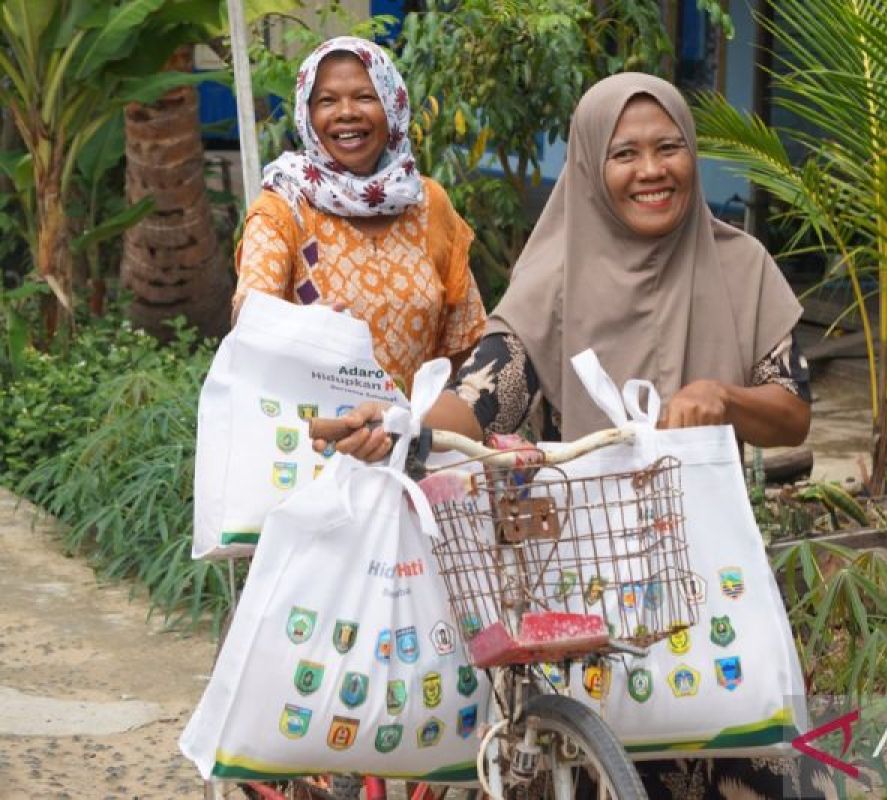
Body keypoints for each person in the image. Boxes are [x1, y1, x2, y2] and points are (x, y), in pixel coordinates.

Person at [317, 73, 823, 799]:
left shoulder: (742, 266)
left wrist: (724, 398)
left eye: (670, 148)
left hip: (712, 569)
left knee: (744, 742)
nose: (652, 170)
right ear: (590, 164)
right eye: (626, 154)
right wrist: (399, 427)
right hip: (580, 575)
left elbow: (793, 409)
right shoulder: (552, 280)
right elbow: (487, 394)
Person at [232, 36, 486, 393]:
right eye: (327, 101)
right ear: (307, 115)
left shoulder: (428, 203)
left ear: (393, 106)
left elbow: (465, 338)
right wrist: (299, 329)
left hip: (415, 436)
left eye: (365, 97)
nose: (346, 112)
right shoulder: (284, 207)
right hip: (310, 437)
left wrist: (448, 425)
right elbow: (250, 315)